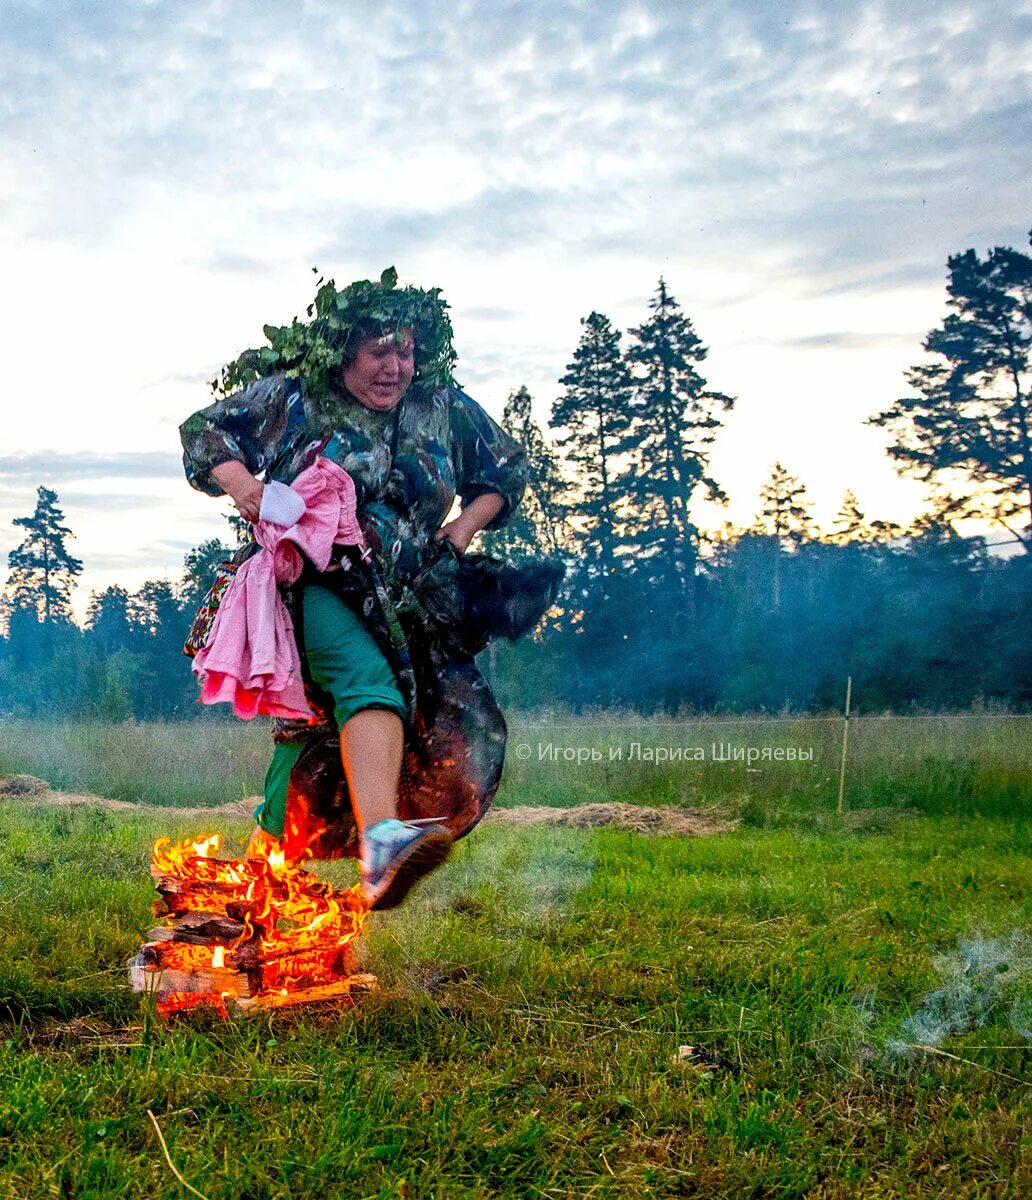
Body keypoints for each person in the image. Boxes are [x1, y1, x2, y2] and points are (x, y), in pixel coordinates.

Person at [180, 269, 562, 910]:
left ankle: (242, 906)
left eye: (405, 350)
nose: (394, 366)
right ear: (344, 351)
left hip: (413, 597)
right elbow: (204, 431)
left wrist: (464, 526)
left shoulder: (439, 406)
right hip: (318, 580)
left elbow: (506, 469)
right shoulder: (301, 399)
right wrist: (245, 486)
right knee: (367, 687)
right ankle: (383, 846)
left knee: (347, 741)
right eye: (378, 351)